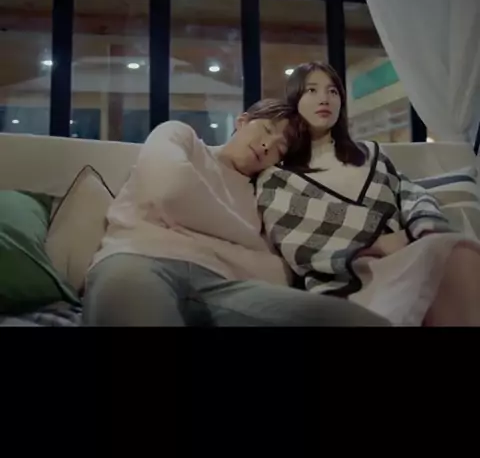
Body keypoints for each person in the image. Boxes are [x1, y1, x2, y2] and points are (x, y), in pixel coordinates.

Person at [82, 98, 389, 327]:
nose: (268, 145)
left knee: (358, 321)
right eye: (266, 129)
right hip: (139, 258)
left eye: (280, 149)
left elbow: (277, 272)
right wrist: (246, 243)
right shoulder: (181, 137)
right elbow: (172, 191)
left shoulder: (263, 192)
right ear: (242, 121)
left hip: (223, 285)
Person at [255, 62, 480, 327]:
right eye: (312, 90)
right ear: (295, 100)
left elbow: (412, 195)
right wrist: (378, 245)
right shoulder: (278, 177)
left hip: (409, 259)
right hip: (344, 285)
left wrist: (423, 231)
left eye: (332, 91)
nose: (324, 99)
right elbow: (297, 243)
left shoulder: (372, 156)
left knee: (456, 251)